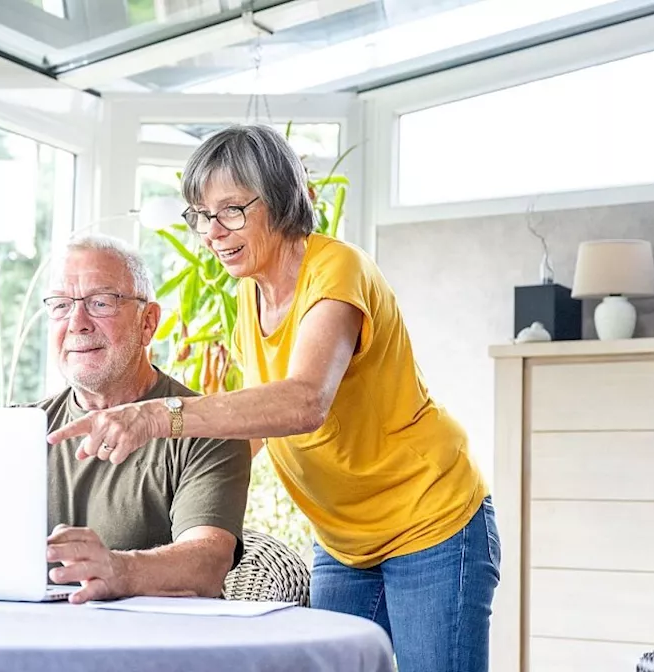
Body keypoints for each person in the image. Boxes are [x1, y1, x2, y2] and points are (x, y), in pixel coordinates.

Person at [47, 125, 498, 672]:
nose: (212, 232)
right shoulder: (250, 293)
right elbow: (255, 423)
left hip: (430, 520)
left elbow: (305, 402)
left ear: (282, 198)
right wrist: (186, 506)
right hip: (342, 538)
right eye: (201, 215)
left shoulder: (336, 269)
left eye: (231, 210)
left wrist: (155, 418)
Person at [33, 234, 251, 606]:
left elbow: (208, 563)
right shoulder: (20, 431)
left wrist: (119, 569)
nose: (77, 323)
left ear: (148, 323)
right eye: (61, 306)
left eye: (100, 303)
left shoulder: (205, 428)